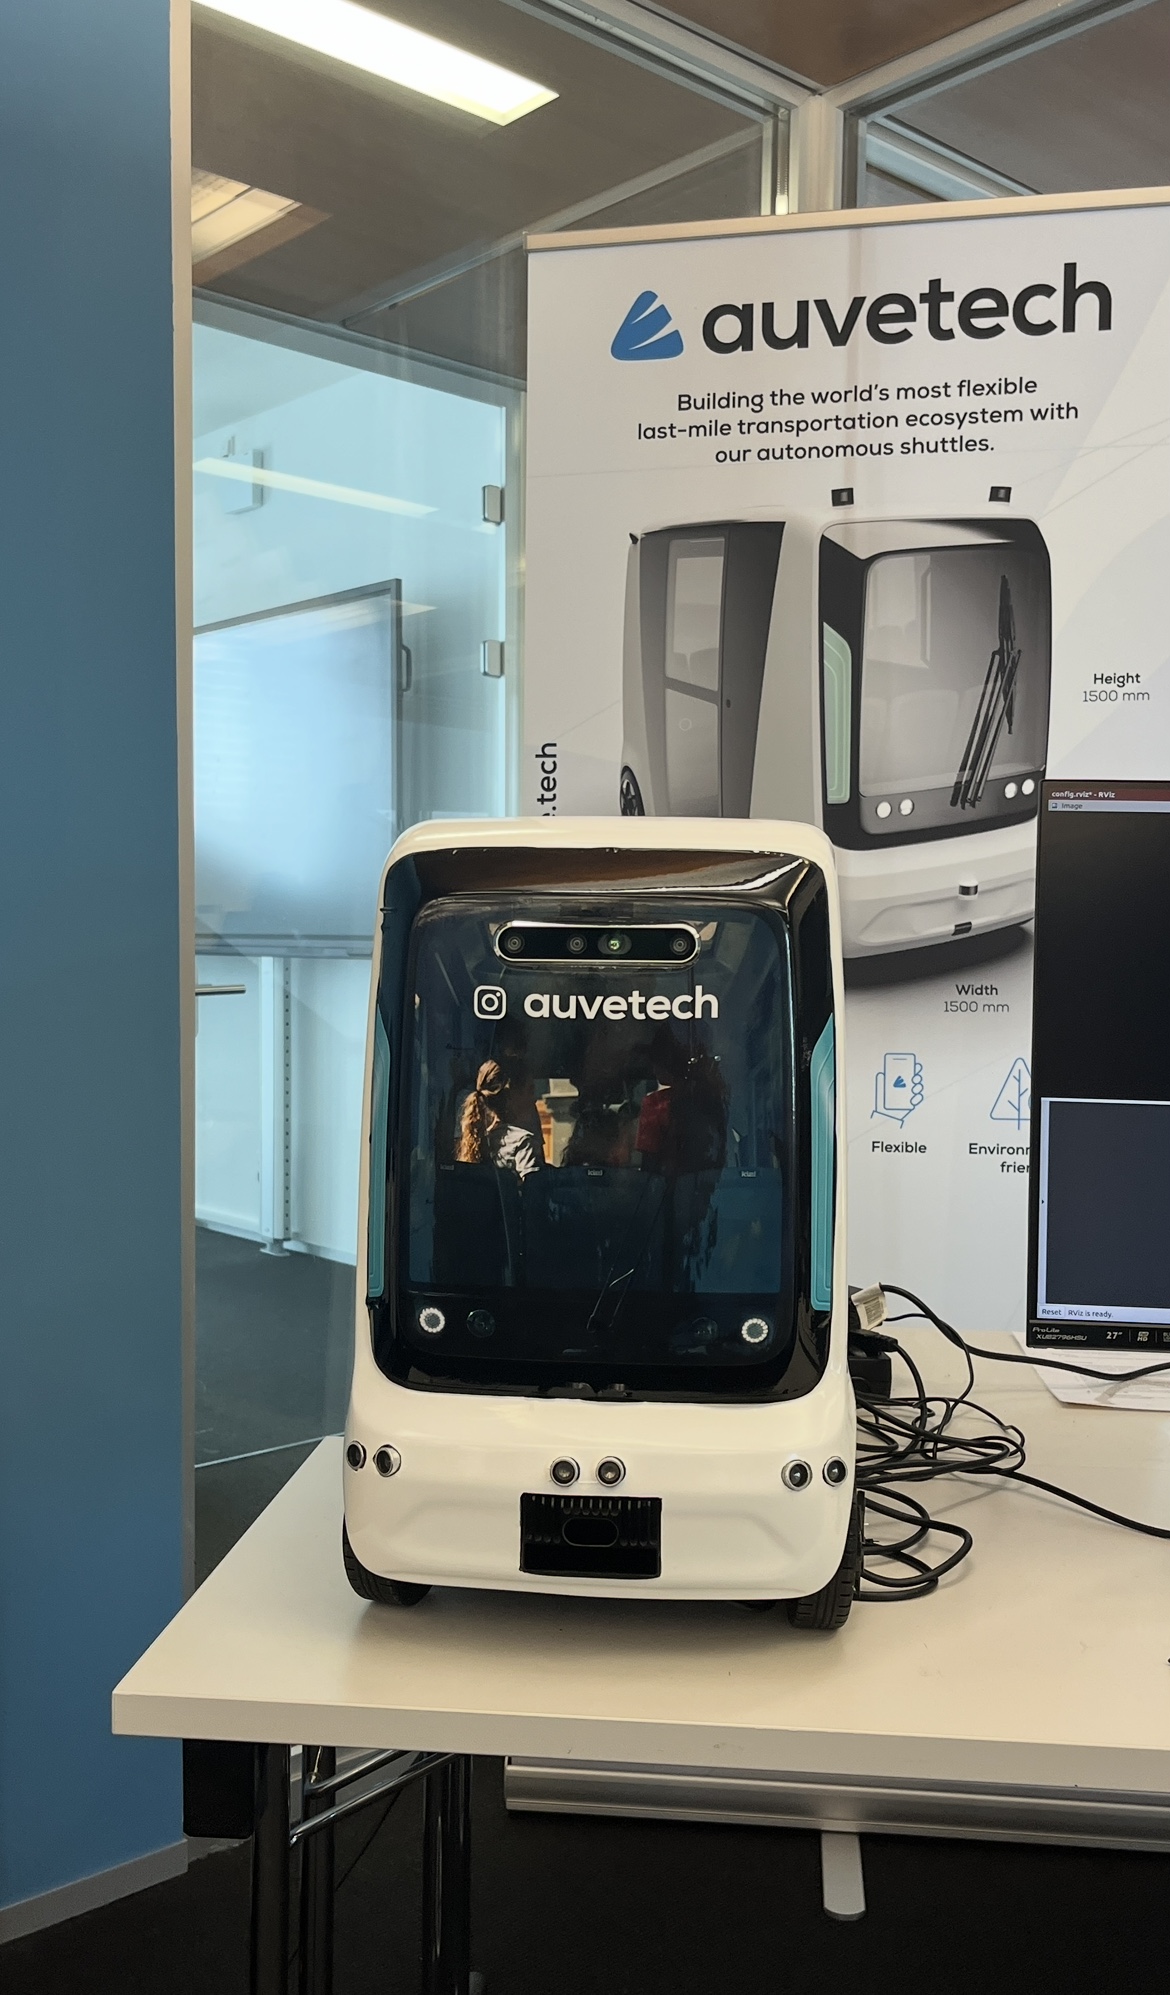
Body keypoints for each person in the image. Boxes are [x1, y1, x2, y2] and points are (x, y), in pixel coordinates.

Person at [456, 1059, 542, 1178]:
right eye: (530, 1091)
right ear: (510, 1096)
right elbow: (533, 1188)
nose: (534, 1099)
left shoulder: (475, 1138)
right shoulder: (523, 1143)